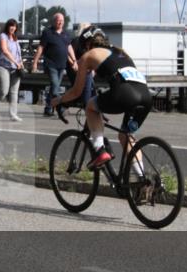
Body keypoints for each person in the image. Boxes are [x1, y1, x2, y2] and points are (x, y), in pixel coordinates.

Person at [51, 27, 152, 169]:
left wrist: (59, 100)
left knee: (91, 106)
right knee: (126, 137)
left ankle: (99, 150)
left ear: (87, 45)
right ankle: (142, 180)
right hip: (146, 97)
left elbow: (76, 91)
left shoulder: (89, 55)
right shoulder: (121, 52)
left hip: (125, 94)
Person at [31, 12, 75, 116]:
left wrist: (74, 61)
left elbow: (69, 48)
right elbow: (41, 47)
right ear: (54, 21)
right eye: (58, 20)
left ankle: (48, 108)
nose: (60, 22)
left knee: (54, 87)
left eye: (62, 20)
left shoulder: (66, 34)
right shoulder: (47, 32)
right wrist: (35, 62)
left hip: (62, 65)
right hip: (51, 64)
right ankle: (61, 107)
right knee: (55, 86)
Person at [0, 18, 24, 122]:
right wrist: (15, 62)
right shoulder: (3, 36)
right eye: (11, 25)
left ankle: (13, 114)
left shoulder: (15, 39)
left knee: (14, 92)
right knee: (3, 91)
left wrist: (20, 63)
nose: (13, 28)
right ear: (7, 26)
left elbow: (18, 54)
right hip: (2, 66)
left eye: (15, 26)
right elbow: (4, 50)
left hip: (15, 68)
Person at [65, 22, 95, 109]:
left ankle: (89, 107)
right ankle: (65, 104)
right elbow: (68, 54)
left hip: (86, 68)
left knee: (90, 88)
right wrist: (73, 64)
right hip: (75, 67)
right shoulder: (76, 40)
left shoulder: (89, 43)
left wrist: (93, 69)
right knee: (78, 88)